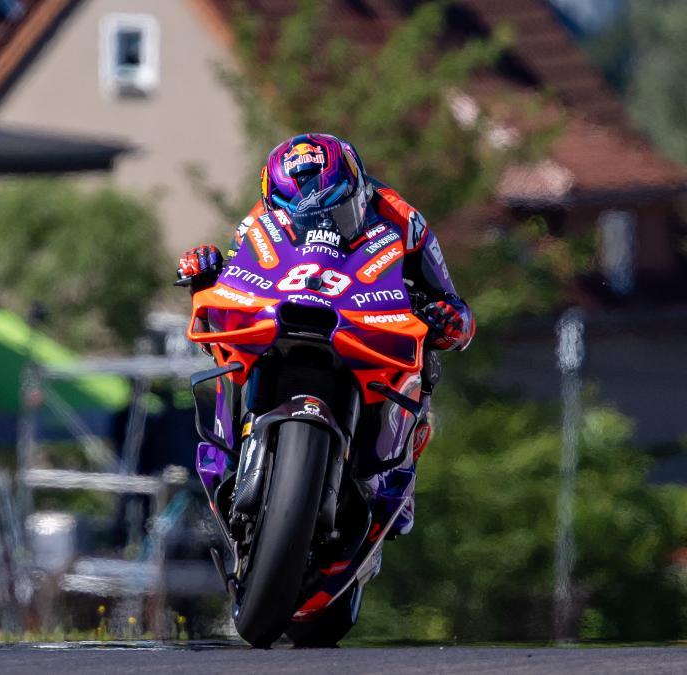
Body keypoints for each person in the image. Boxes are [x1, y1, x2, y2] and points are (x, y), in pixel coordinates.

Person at [175, 133, 474, 536]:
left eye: (334, 209)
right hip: (288, 309)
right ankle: (233, 444)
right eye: (300, 215)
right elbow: (234, 279)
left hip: (363, 318)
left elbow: (454, 306)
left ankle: (399, 473)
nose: (319, 223)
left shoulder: (403, 219)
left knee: (426, 358)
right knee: (231, 342)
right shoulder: (260, 217)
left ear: (357, 189)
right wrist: (203, 272)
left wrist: (449, 318)